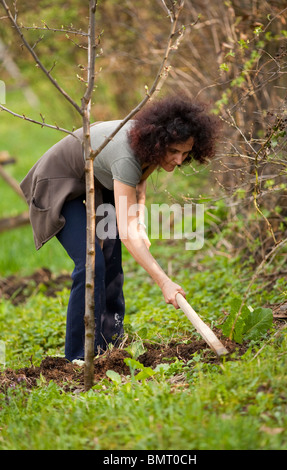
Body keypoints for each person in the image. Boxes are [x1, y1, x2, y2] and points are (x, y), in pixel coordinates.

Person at [20, 95, 220, 362]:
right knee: (92, 264)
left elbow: (139, 183)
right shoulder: (129, 153)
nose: (179, 160)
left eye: (185, 153)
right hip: (59, 183)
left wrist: (141, 222)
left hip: (98, 181)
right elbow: (127, 231)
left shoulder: (148, 148)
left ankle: (110, 345)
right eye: (174, 152)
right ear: (159, 143)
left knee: (112, 260)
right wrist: (165, 282)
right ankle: (79, 357)